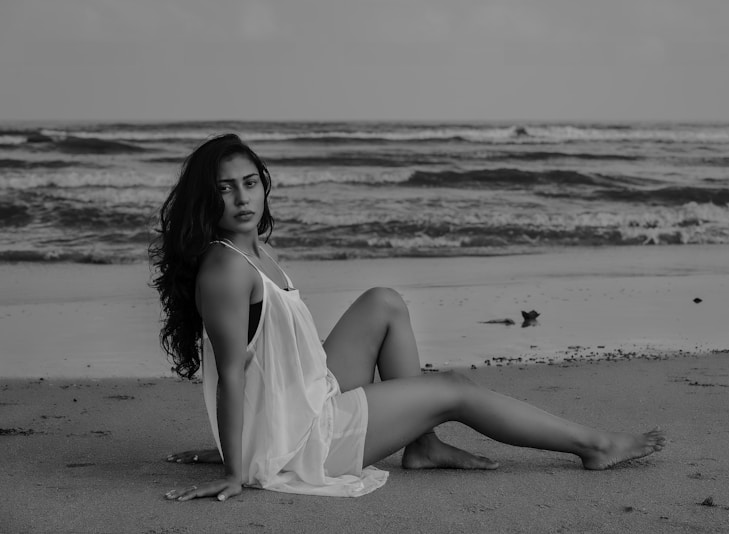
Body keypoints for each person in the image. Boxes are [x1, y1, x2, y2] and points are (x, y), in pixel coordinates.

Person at [150, 134, 665, 502]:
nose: (242, 198)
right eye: (225, 188)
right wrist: (237, 467)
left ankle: (423, 445)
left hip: (301, 400)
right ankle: (595, 445)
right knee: (453, 390)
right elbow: (232, 376)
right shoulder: (225, 268)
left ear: (263, 186)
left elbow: (264, 359)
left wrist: (238, 444)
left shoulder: (254, 250)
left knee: (384, 301)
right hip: (306, 441)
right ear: (207, 198)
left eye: (249, 182)